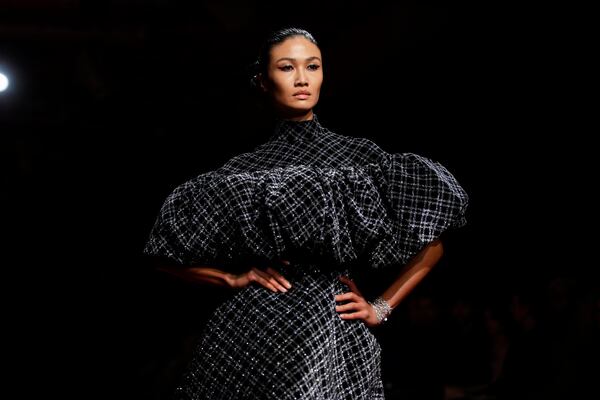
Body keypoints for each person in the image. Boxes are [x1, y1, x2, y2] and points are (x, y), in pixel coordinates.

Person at [143, 27, 469, 400]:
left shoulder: (361, 160)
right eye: (286, 67)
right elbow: (163, 255)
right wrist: (231, 279)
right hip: (253, 333)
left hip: (333, 330)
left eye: (312, 66)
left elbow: (434, 241)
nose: (301, 78)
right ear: (263, 81)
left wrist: (381, 307)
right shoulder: (242, 171)